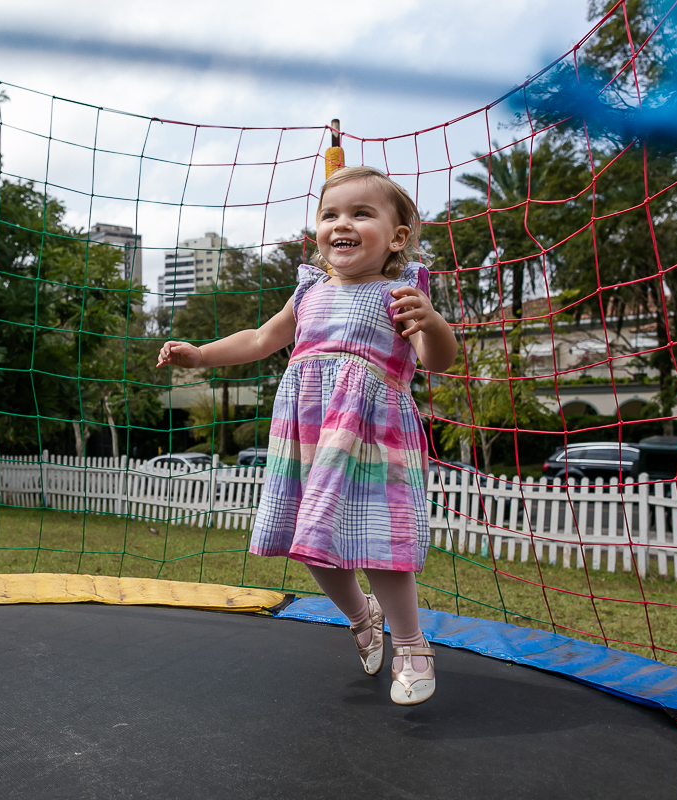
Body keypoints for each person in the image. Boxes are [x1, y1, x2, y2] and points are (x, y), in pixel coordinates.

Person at [157, 166, 457, 705]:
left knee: (378, 545)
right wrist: (200, 355)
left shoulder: (400, 293)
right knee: (312, 541)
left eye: (361, 213)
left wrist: (433, 323)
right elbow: (259, 339)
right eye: (330, 214)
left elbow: (437, 360)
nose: (342, 223)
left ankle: (412, 645)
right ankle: (360, 616)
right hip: (310, 435)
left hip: (371, 434)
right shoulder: (309, 291)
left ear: (397, 237)